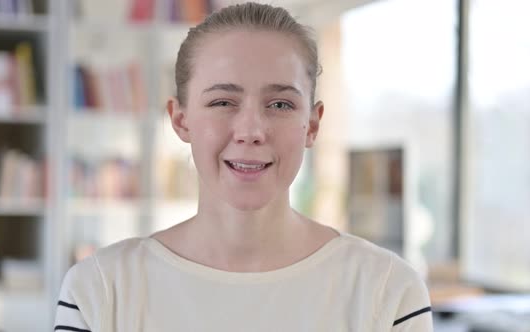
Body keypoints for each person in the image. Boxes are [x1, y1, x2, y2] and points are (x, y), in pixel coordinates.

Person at [54, 2, 433, 331]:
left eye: (280, 104)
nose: (251, 131)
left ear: (312, 125)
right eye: (222, 102)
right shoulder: (100, 291)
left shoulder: (388, 292)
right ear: (181, 120)